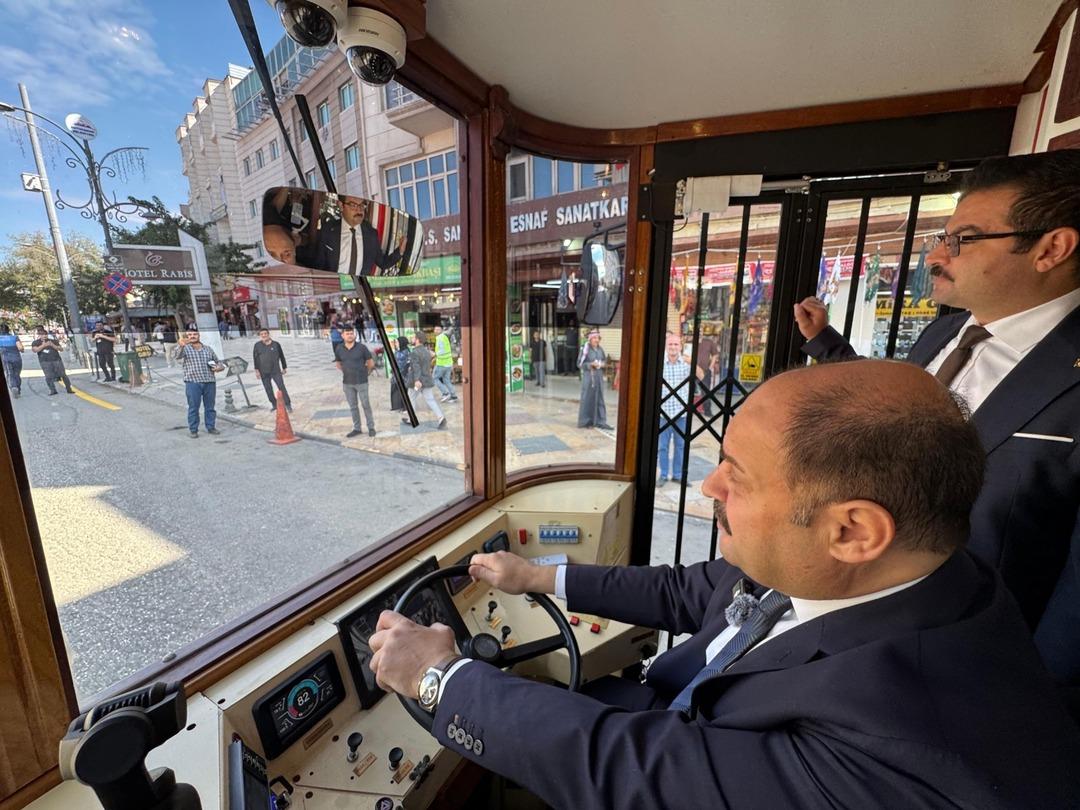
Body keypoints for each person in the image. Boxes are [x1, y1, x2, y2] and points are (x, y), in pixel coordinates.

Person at [368, 359, 1080, 809]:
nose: (708, 487)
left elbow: (628, 771)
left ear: (853, 529)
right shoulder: (910, 571)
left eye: (735, 477)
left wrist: (442, 677)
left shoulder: (908, 754)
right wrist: (538, 576)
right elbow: (690, 591)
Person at [794, 150, 1080, 692]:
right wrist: (826, 346)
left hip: (973, 670)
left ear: (1051, 248)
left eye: (964, 239)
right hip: (864, 633)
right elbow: (896, 413)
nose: (936, 257)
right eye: (942, 237)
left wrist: (1038, 702)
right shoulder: (944, 334)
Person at [311, 197, 408, 276]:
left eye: (362, 205)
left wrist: (400, 251)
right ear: (341, 206)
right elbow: (318, 264)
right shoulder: (328, 230)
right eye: (353, 205)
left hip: (360, 289)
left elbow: (382, 263)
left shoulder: (371, 234)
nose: (359, 210)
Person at [657, 333, 700, 486]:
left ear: (680, 347)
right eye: (670, 344)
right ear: (666, 347)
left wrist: (693, 362)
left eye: (676, 344)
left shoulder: (686, 364)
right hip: (664, 413)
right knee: (662, 446)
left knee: (680, 445)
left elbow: (701, 375)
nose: (673, 347)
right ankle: (663, 474)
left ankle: (677, 475)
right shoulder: (659, 364)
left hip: (681, 413)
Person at [173, 329, 223, 438]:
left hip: (209, 382)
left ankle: (211, 426)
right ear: (187, 336)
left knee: (210, 407)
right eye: (189, 334)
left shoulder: (208, 349)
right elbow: (177, 356)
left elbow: (218, 362)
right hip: (193, 383)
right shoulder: (185, 349)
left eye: (194, 334)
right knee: (193, 407)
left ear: (199, 335)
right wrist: (180, 345)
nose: (192, 336)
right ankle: (193, 429)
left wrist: (219, 367)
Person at [334, 324, 376, 438]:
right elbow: (338, 364)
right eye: (347, 334)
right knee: (353, 406)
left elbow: (370, 363)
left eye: (351, 333)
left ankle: (371, 427)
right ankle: (357, 428)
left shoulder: (362, 348)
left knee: (366, 404)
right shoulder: (339, 348)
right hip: (347, 382)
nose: (350, 335)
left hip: (362, 381)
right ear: (342, 335)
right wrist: (347, 371)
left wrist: (365, 372)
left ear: (355, 334)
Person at [403, 331, 446, 430]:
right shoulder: (427, 351)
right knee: (430, 400)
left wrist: (417, 380)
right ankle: (441, 418)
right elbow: (428, 361)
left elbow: (416, 367)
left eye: (413, 337)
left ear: (418, 340)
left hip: (417, 380)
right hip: (427, 379)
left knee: (411, 398)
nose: (412, 339)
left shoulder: (414, 352)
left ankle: (411, 418)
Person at [577, 330, 611, 429]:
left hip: (599, 377)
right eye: (595, 338)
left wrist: (602, 364)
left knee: (600, 398)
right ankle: (587, 421)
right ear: (590, 339)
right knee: (588, 399)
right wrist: (590, 364)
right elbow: (579, 364)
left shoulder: (600, 349)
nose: (597, 340)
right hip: (589, 378)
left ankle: (601, 421)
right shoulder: (585, 350)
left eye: (598, 338)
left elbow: (604, 360)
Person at [252, 328, 291, 412]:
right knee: (268, 389)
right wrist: (257, 371)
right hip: (263, 372)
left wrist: (284, 367)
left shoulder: (276, 344)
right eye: (261, 334)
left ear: (268, 334)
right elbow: (255, 359)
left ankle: (288, 404)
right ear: (260, 336)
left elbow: (282, 356)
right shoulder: (257, 345)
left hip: (275, 370)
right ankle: (274, 404)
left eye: (265, 334)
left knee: (281, 387)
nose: (263, 335)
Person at [31, 327, 73, 396]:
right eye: (42, 334)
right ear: (39, 335)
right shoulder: (36, 342)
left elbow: (61, 349)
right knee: (48, 376)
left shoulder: (53, 341)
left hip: (56, 360)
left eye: (45, 334)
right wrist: (43, 345)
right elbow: (35, 350)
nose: (44, 336)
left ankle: (69, 389)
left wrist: (52, 345)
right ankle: (53, 390)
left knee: (63, 375)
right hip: (45, 361)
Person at [432, 325, 458, 402]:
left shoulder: (440, 338)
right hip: (448, 363)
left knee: (435, 378)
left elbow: (442, 350)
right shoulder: (445, 337)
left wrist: (435, 354)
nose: (436, 331)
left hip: (441, 363)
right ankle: (453, 396)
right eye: (435, 329)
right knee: (446, 380)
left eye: (438, 329)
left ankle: (445, 393)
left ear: (441, 330)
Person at [0, 324, 24, 398]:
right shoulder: (14, 337)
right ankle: (18, 389)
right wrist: (22, 350)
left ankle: (13, 387)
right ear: (8, 330)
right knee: (17, 374)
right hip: (16, 358)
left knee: (10, 374)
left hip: (5, 358)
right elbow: (20, 348)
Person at [389, 335, 411, 412]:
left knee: (403, 391)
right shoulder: (399, 351)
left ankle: (405, 407)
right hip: (397, 374)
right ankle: (398, 406)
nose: (396, 344)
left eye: (397, 342)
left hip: (403, 375)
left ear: (401, 343)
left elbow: (402, 363)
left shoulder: (405, 352)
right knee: (396, 390)